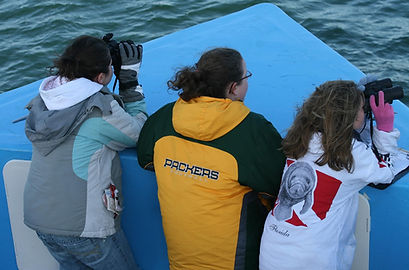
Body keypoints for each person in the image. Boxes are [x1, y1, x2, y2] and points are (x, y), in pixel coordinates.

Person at [136, 47, 286, 270]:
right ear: (233, 88)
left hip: (181, 261)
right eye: (246, 76)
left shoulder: (165, 118)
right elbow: (278, 189)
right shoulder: (254, 130)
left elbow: (146, 158)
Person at [24, 35, 147, 270]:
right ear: (101, 77)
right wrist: (130, 85)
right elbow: (138, 134)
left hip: (41, 219)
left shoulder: (43, 102)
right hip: (81, 226)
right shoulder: (99, 109)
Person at [259, 80, 400, 270]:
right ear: (350, 118)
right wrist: (384, 130)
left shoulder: (301, 138)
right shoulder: (353, 154)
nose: (363, 112)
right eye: (360, 109)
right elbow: (385, 172)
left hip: (273, 247)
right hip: (310, 259)